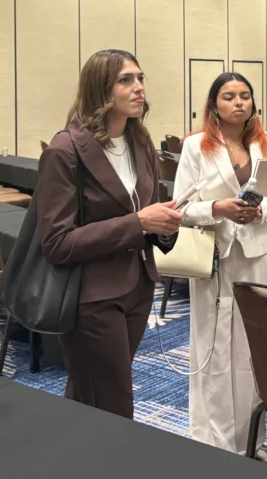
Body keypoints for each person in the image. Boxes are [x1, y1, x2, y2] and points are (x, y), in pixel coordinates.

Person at [37, 49, 181, 418]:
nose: (139, 87)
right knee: (114, 407)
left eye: (140, 78)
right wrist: (139, 223)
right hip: (92, 297)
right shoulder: (65, 150)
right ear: (100, 90)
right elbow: (56, 243)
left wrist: (164, 226)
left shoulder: (141, 143)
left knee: (90, 395)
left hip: (138, 287)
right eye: (125, 80)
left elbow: (148, 212)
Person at [174, 72, 267, 454]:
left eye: (245, 95)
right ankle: (213, 440)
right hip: (214, 255)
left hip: (255, 253)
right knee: (213, 345)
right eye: (229, 96)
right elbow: (181, 208)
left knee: (250, 344)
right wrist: (218, 208)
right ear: (214, 105)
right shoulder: (196, 146)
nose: (239, 102)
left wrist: (262, 211)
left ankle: (248, 436)